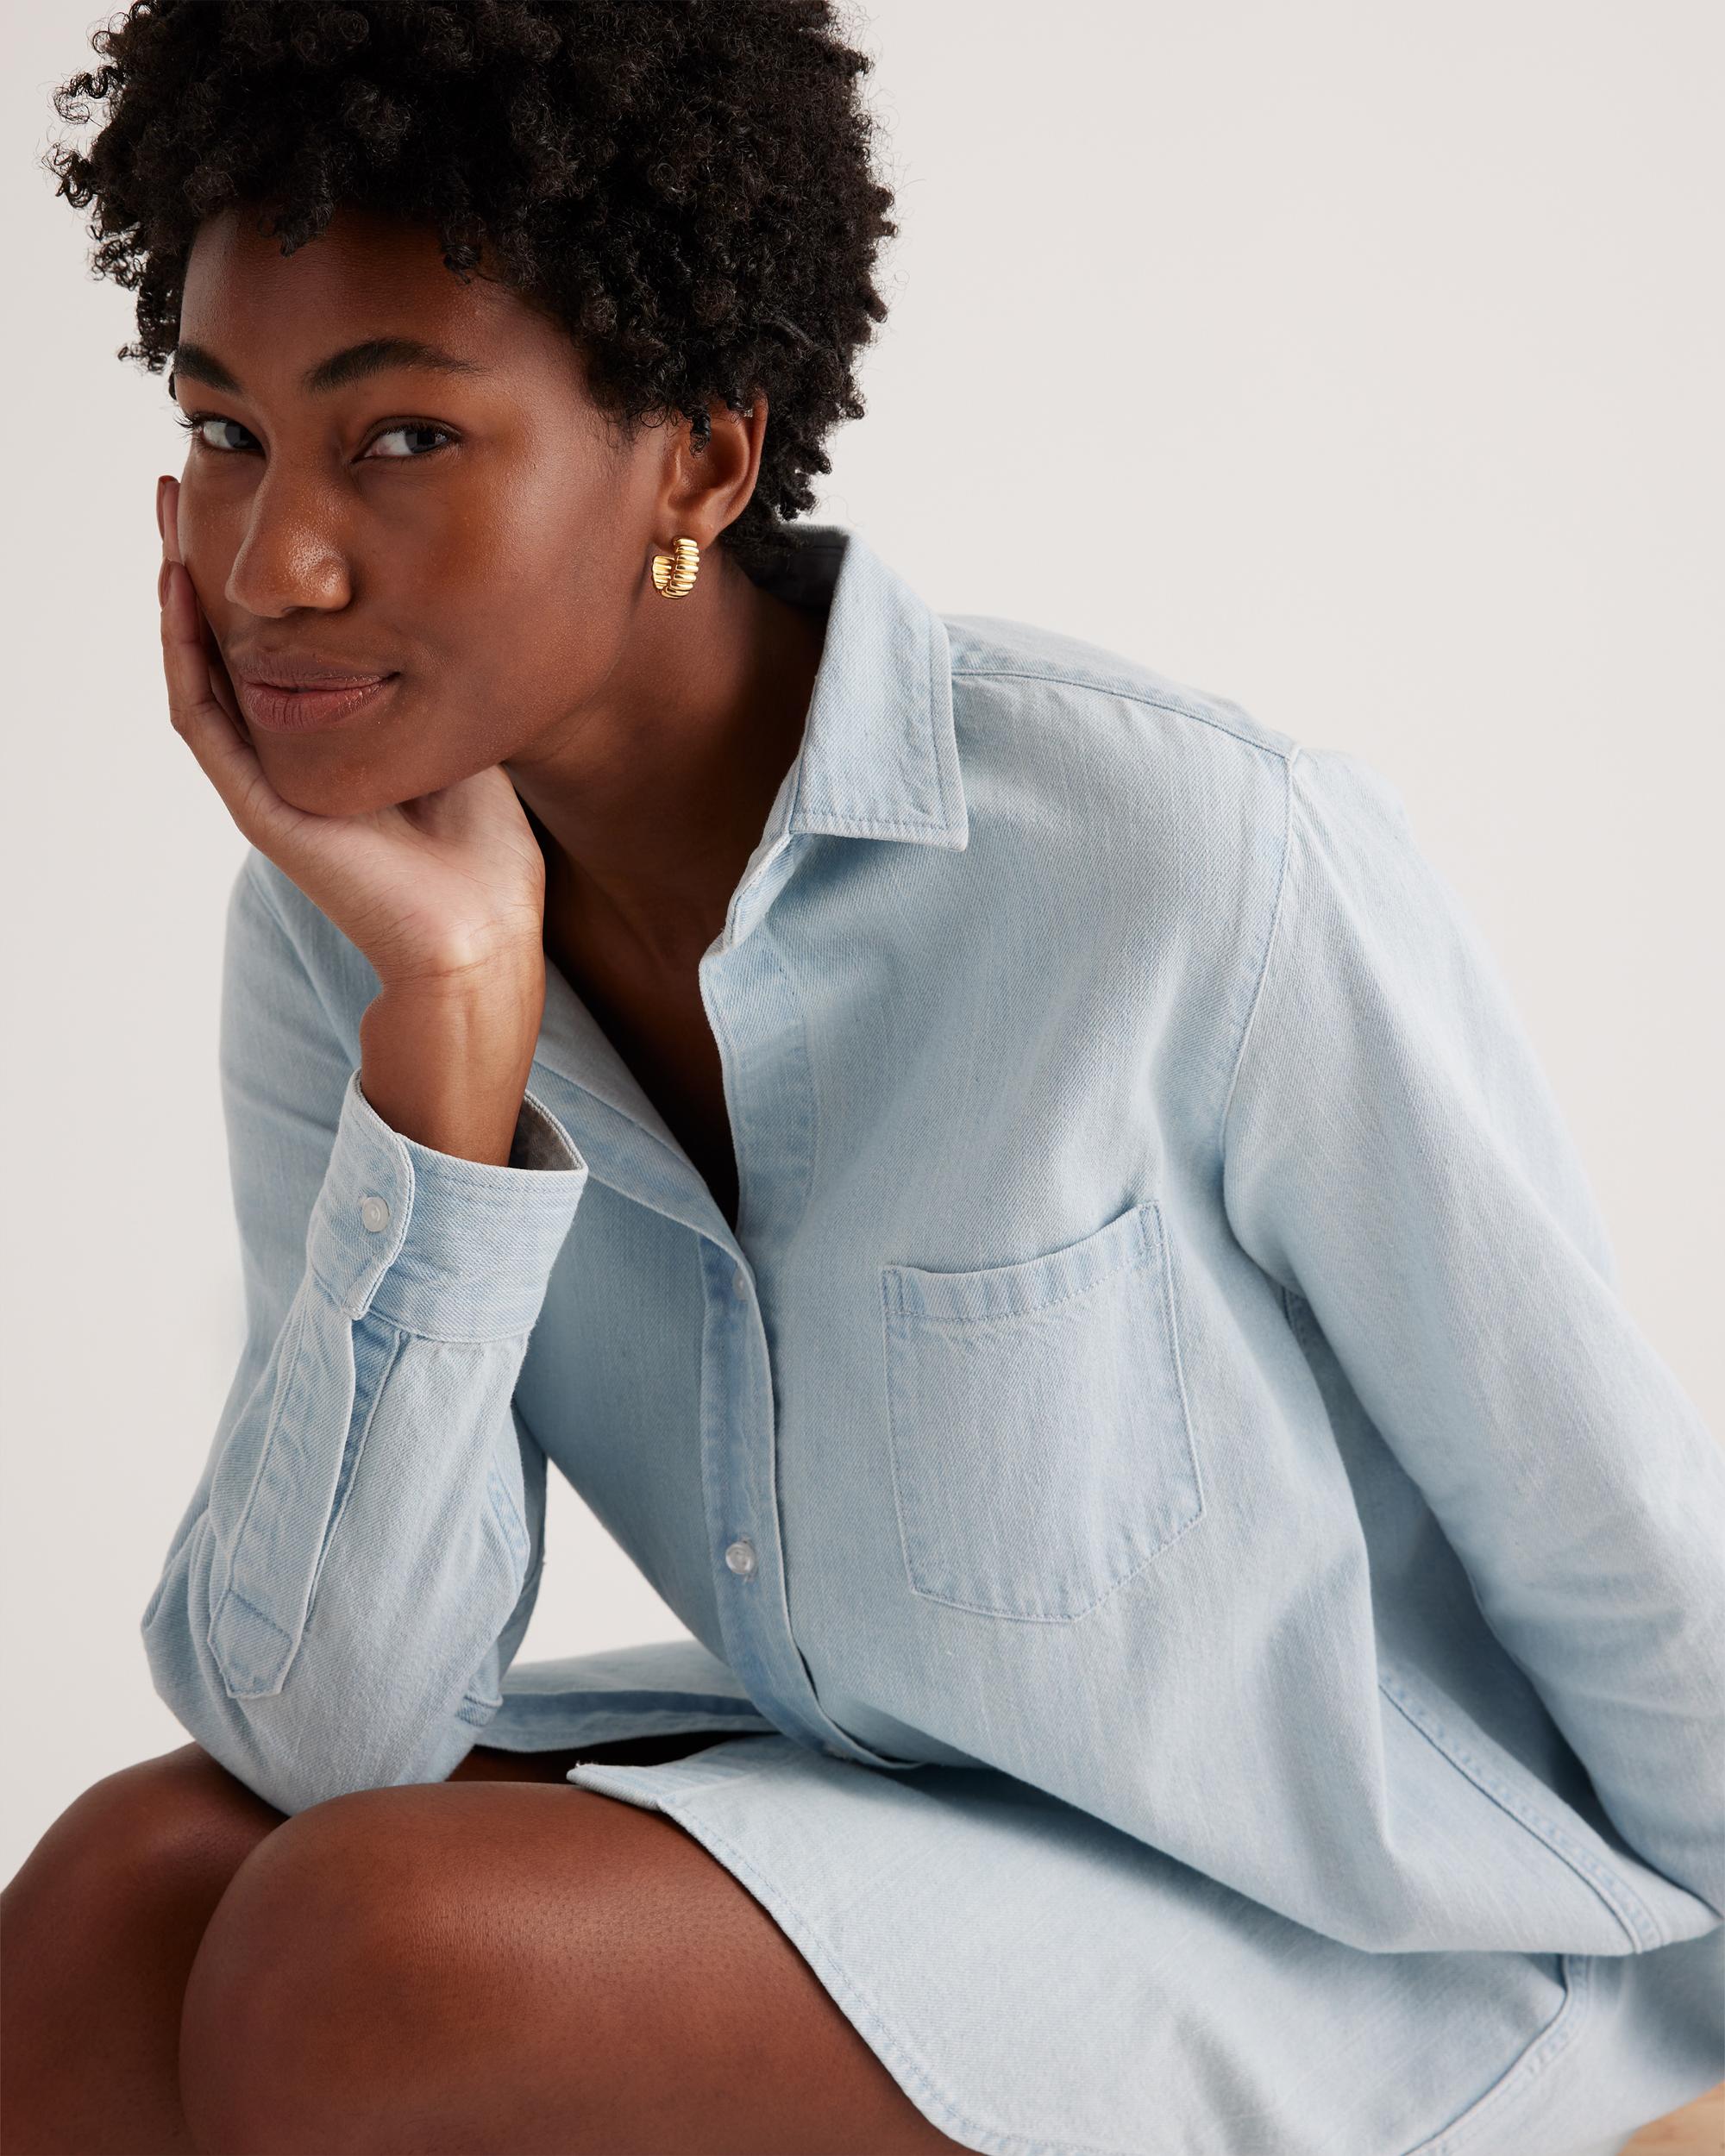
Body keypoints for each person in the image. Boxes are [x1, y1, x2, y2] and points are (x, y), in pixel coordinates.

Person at [4, 4, 1720, 2153]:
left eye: (406, 437)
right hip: (894, 1826)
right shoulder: (356, 931)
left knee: (369, 1958)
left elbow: (1612, 1537)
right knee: (123, 1897)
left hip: (1352, 1942)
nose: (272, 564)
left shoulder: (1175, 860)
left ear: (701, 464)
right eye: (224, 430)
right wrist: (451, 1021)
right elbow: (320, 1732)